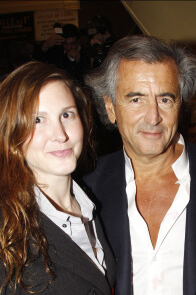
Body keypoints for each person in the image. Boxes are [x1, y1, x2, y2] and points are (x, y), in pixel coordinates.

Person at [83, 34, 196, 295]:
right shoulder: (86, 190)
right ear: (110, 107)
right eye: (136, 99)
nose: (153, 117)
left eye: (165, 99)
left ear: (180, 105)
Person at [0, 61, 115, 294]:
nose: (60, 135)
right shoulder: (6, 226)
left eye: (66, 114)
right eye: (37, 120)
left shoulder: (92, 204)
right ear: (13, 132)